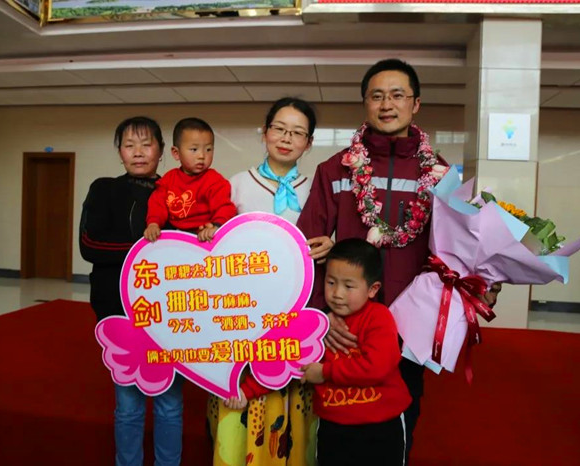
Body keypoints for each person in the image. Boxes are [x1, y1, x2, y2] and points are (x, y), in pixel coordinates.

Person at [296, 58, 501, 463]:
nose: (387, 104)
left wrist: (483, 286)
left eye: (397, 95)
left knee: (399, 426)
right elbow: (306, 250)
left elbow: (464, 248)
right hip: (346, 329)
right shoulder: (335, 169)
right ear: (365, 103)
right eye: (376, 96)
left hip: (412, 327)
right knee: (339, 427)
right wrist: (323, 316)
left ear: (415, 104)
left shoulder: (441, 178)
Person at [207, 97, 332, 466]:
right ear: (264, 132)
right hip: (241, 313)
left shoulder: (317, 188)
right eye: (279, 128)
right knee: (238, 395)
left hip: (295, 311)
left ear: (309, 142)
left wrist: (332, 245)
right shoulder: (236, 184)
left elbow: (329, 238)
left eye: (297, 132)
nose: (286, 138)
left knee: (288, 391)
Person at [79, 116, 183, 466]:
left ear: (162, 150)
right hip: (119, 312)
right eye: (129, 145)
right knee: (128, 405)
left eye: (146, 144)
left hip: (170, 315)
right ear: (120, 152)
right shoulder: (103, 189)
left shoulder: (177, 192)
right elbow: (90, 245)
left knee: (170, 404)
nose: (138, 152)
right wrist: (147, 250)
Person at [300, 238, 411, 466]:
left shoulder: (379, 317)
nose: (337, 293)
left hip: (381, 427)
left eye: (348, 286)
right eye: (331, 282)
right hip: (333, 425)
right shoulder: (318, 322)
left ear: (372, 289)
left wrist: (325, 372)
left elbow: (376, 367)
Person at [144, 117, 236, 243]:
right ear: (176, 153)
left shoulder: (215, 180)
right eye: (194, 149)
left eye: (208, 149)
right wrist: (153, 224)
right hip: (175, 235)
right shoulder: (168, 180)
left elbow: (224, 207)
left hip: (204, 236)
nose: (201, 156)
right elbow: (157, 205)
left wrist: (216, 226)